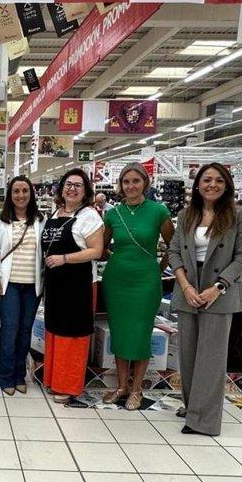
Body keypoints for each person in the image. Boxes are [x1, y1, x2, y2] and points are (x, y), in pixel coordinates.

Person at [169, 163, 242, 436]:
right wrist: (185, 285)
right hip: (189, 288)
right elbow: (174, 253)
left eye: (218, 180)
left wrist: (218, 287)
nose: (212, 185)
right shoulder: (186, 214)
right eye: (206, 180)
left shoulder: (238, 215)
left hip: (220, 291)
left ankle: (204, 421)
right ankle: (193, 406)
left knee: (211, 358)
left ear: (227, 184)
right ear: (197, 185)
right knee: (189, 355)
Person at [102, 163, 174, 410]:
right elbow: (102, 248)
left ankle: (136, 389)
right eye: (126, 182)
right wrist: (117, 259)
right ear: (120, 185)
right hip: (117, 279)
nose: (130, 186)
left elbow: (172, 245)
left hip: (146, 280)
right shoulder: (113, 214)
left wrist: (157, 267)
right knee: (120, 331)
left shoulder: (158, 211)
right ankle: (121, 386)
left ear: (145, 183)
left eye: (135, 181)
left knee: (141, 333)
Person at [41, 169, 104, 403]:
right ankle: (54, 379)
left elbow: (96, 251)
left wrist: (64, 258)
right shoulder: (56, 213)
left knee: (73, 335)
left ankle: (69, 385)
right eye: (68, 184)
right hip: (56, 285)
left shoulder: (89, 216)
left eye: (78, 185)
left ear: (86, 190)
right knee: (56, 331)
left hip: (79, 285)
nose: (72, 189)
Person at [0, 176, 45, 396]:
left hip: (32, 286)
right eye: (16, 191)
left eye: (24, 191)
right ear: (10, 195)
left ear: (31, 194)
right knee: (10, 329)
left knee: (25, 330)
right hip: (9, 284)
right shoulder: (0, 221)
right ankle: (6, 376)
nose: (20, 195)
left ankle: (19, 374)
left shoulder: (41, 219)